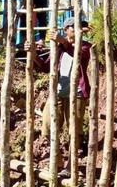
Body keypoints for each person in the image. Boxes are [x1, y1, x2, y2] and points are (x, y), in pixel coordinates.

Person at [29, 17, 92, 154]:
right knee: (48, 124)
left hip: (77, 93)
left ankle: (71, 164)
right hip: (58, 91)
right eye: (74, 27)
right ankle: (57, 159)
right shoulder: (59, 49)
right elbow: (46, 67)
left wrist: (63, 42)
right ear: (66, 30)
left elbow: (78, 55)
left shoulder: (86, 46)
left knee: (74, 130)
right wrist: (34, 55)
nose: (78, 30)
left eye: (79, 27)